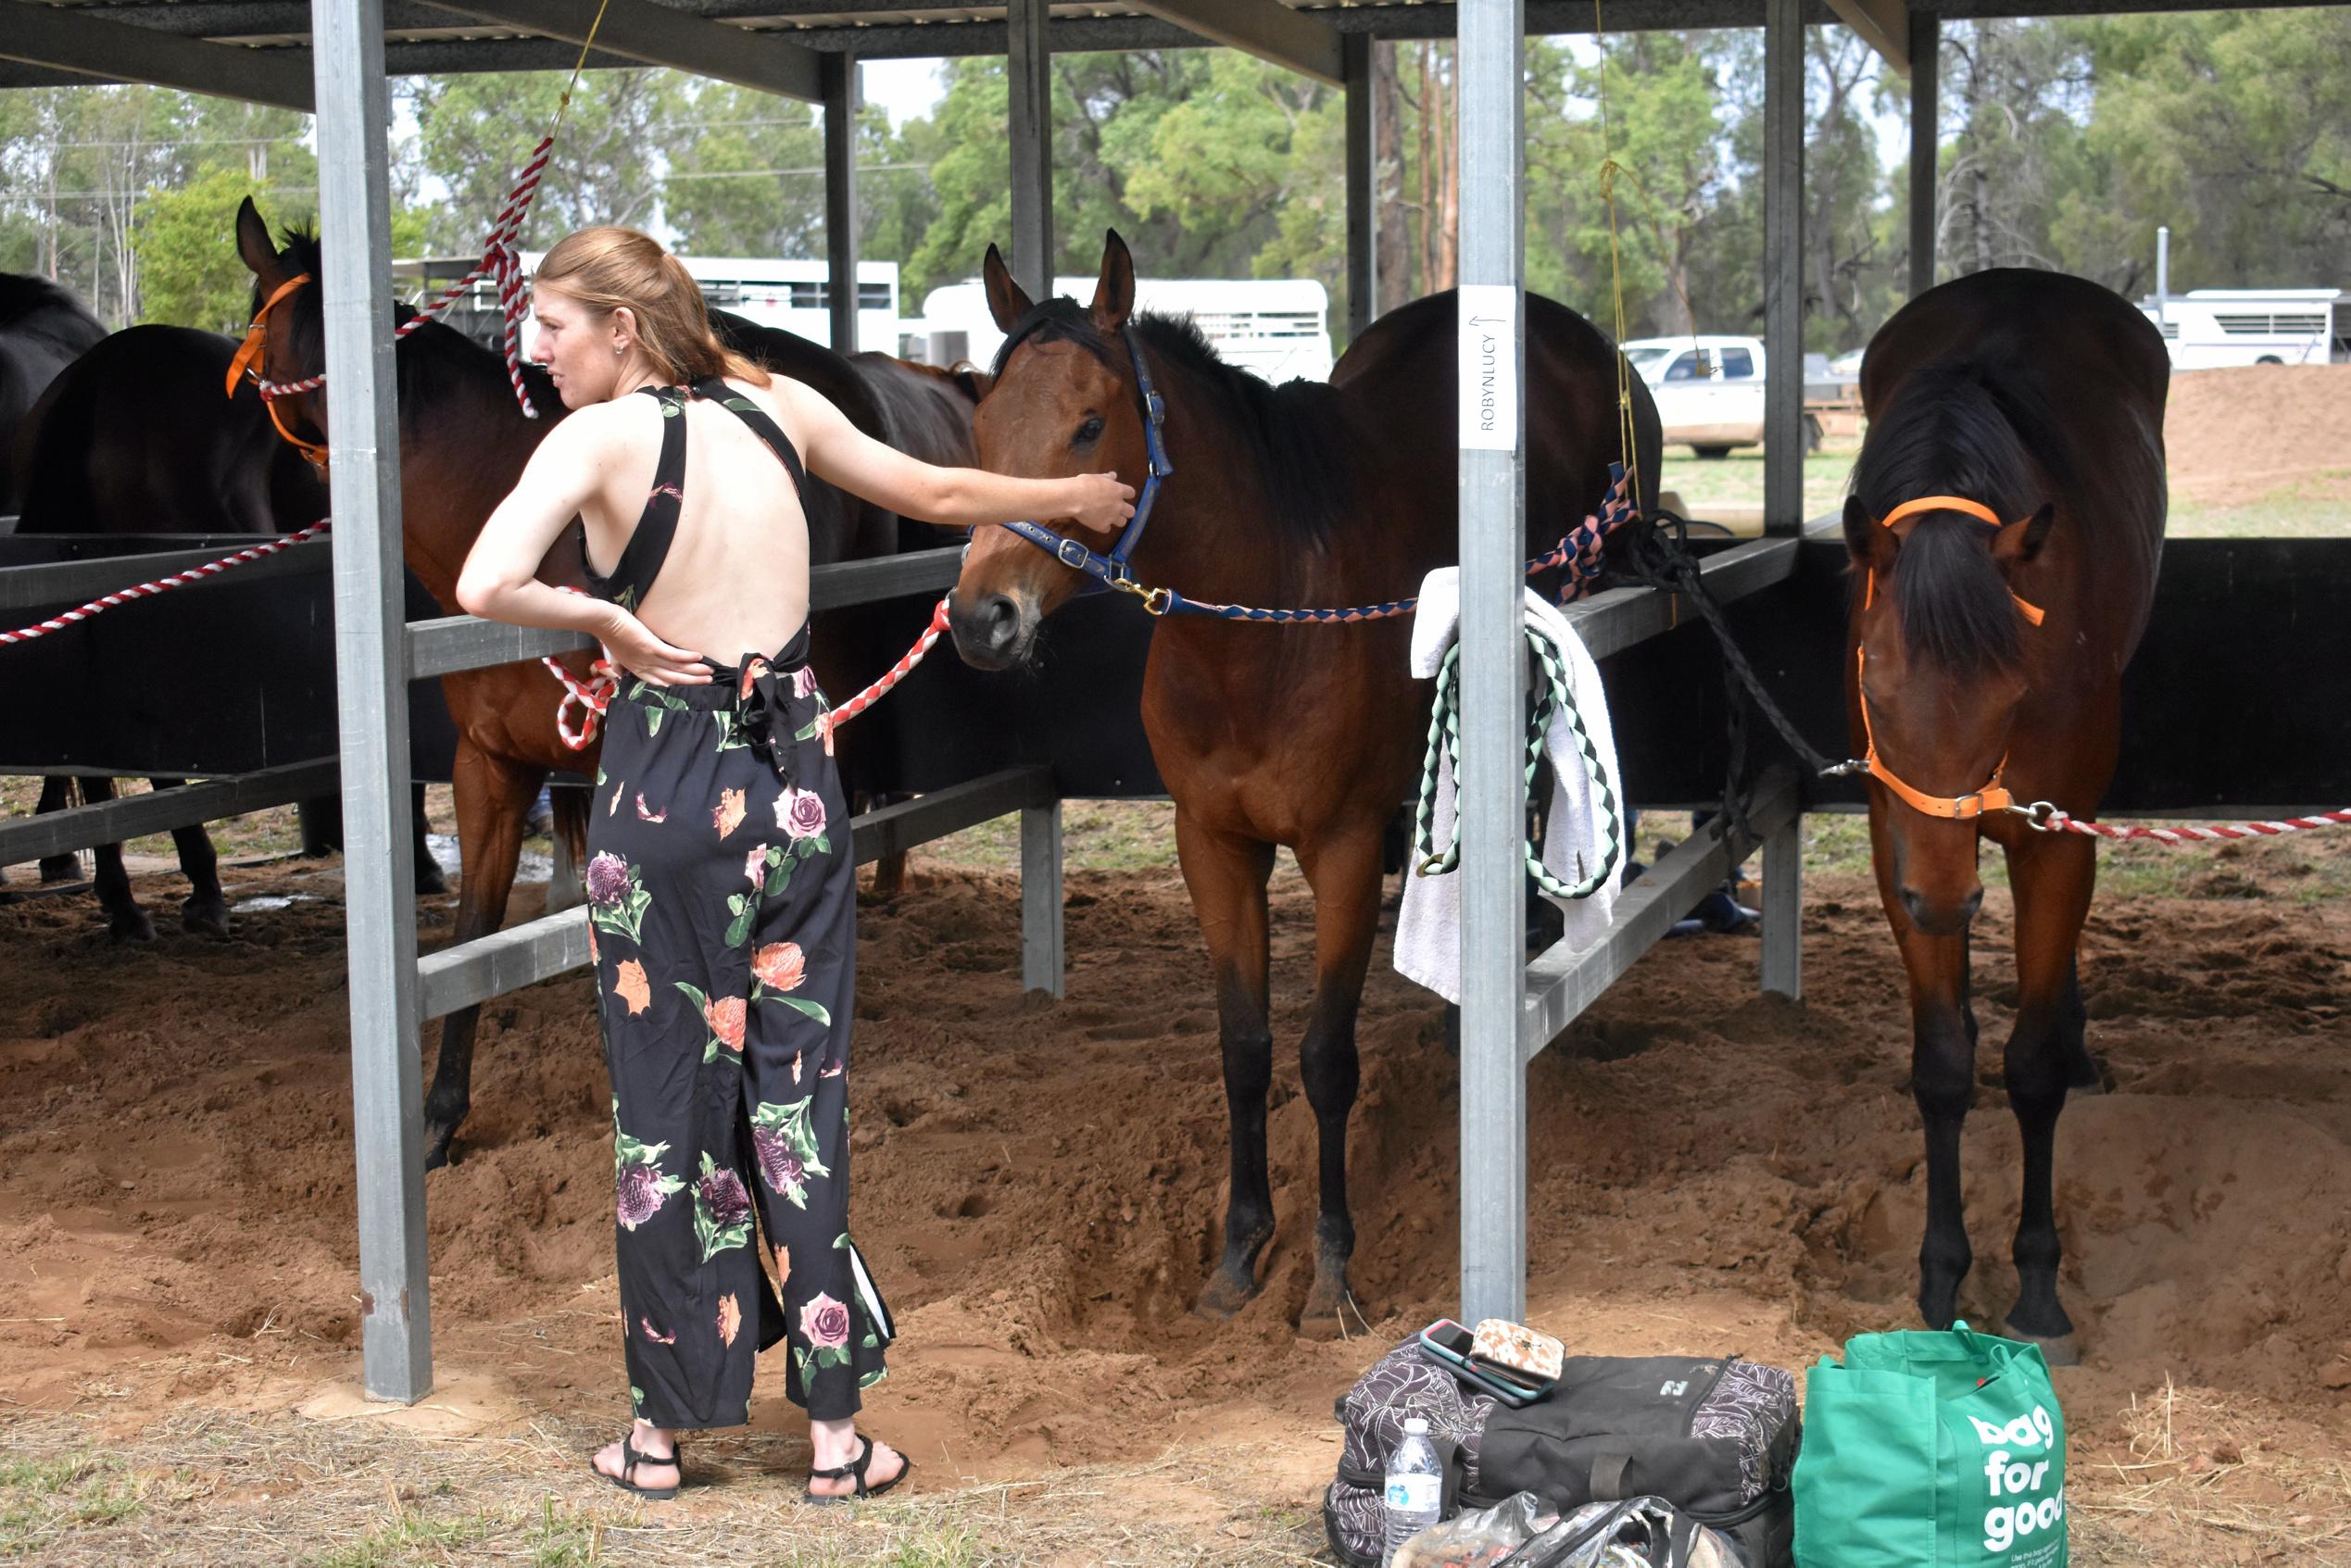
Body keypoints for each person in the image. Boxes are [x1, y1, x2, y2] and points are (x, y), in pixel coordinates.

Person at [456, 227, 1132, 1501]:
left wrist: (600, 614)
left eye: (551, 326)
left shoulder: (593, 444)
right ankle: (833, 1438)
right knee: (795, 1112)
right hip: (794, 783)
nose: (535, 352)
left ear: (620, 327)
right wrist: (1066, 501)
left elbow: (488, 576)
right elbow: (933, 495)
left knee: (666, 1119)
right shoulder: (780, 410)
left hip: (662, 790)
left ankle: (662, 1437)